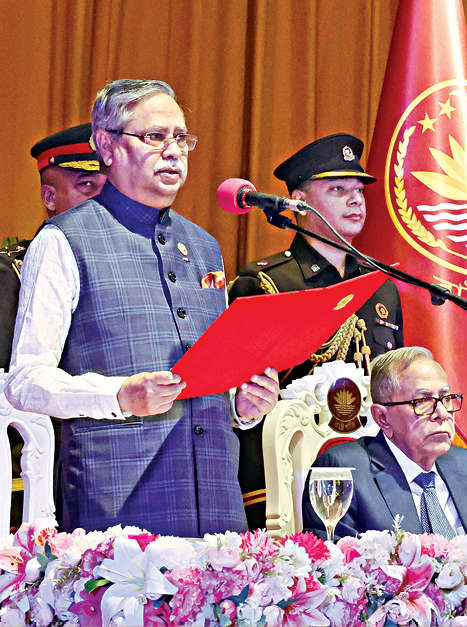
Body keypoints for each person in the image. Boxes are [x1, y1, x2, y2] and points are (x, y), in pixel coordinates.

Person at [4, 79, 279, 536]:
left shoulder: (205, 246)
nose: (173, 152)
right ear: (107, 145)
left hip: (217, 506)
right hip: (118, 509)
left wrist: (243, 405)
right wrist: (119, 396)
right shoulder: (64, 240)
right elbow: (25, 382)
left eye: (181, 138)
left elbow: (210, 377)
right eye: (155, 136)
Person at [228, 133, 403, 529]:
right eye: (338, 189)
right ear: (299, 201)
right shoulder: (266, 282)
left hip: (370, 484)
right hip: (287, 485)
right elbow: (243, 403)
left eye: (359, 190)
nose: (355, 200)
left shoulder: (381, 287)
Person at [1, 124, 105, 532]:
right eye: (86, 186)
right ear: (49, 197)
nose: (101, 202)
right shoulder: (10, 274)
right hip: (30, 490)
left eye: (110, 188)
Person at [302, 346, 467, 539]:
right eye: (423, 401)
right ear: (383, 418)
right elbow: (335, 563)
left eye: (446, 398)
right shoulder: (342, 472)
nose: (442, 413)